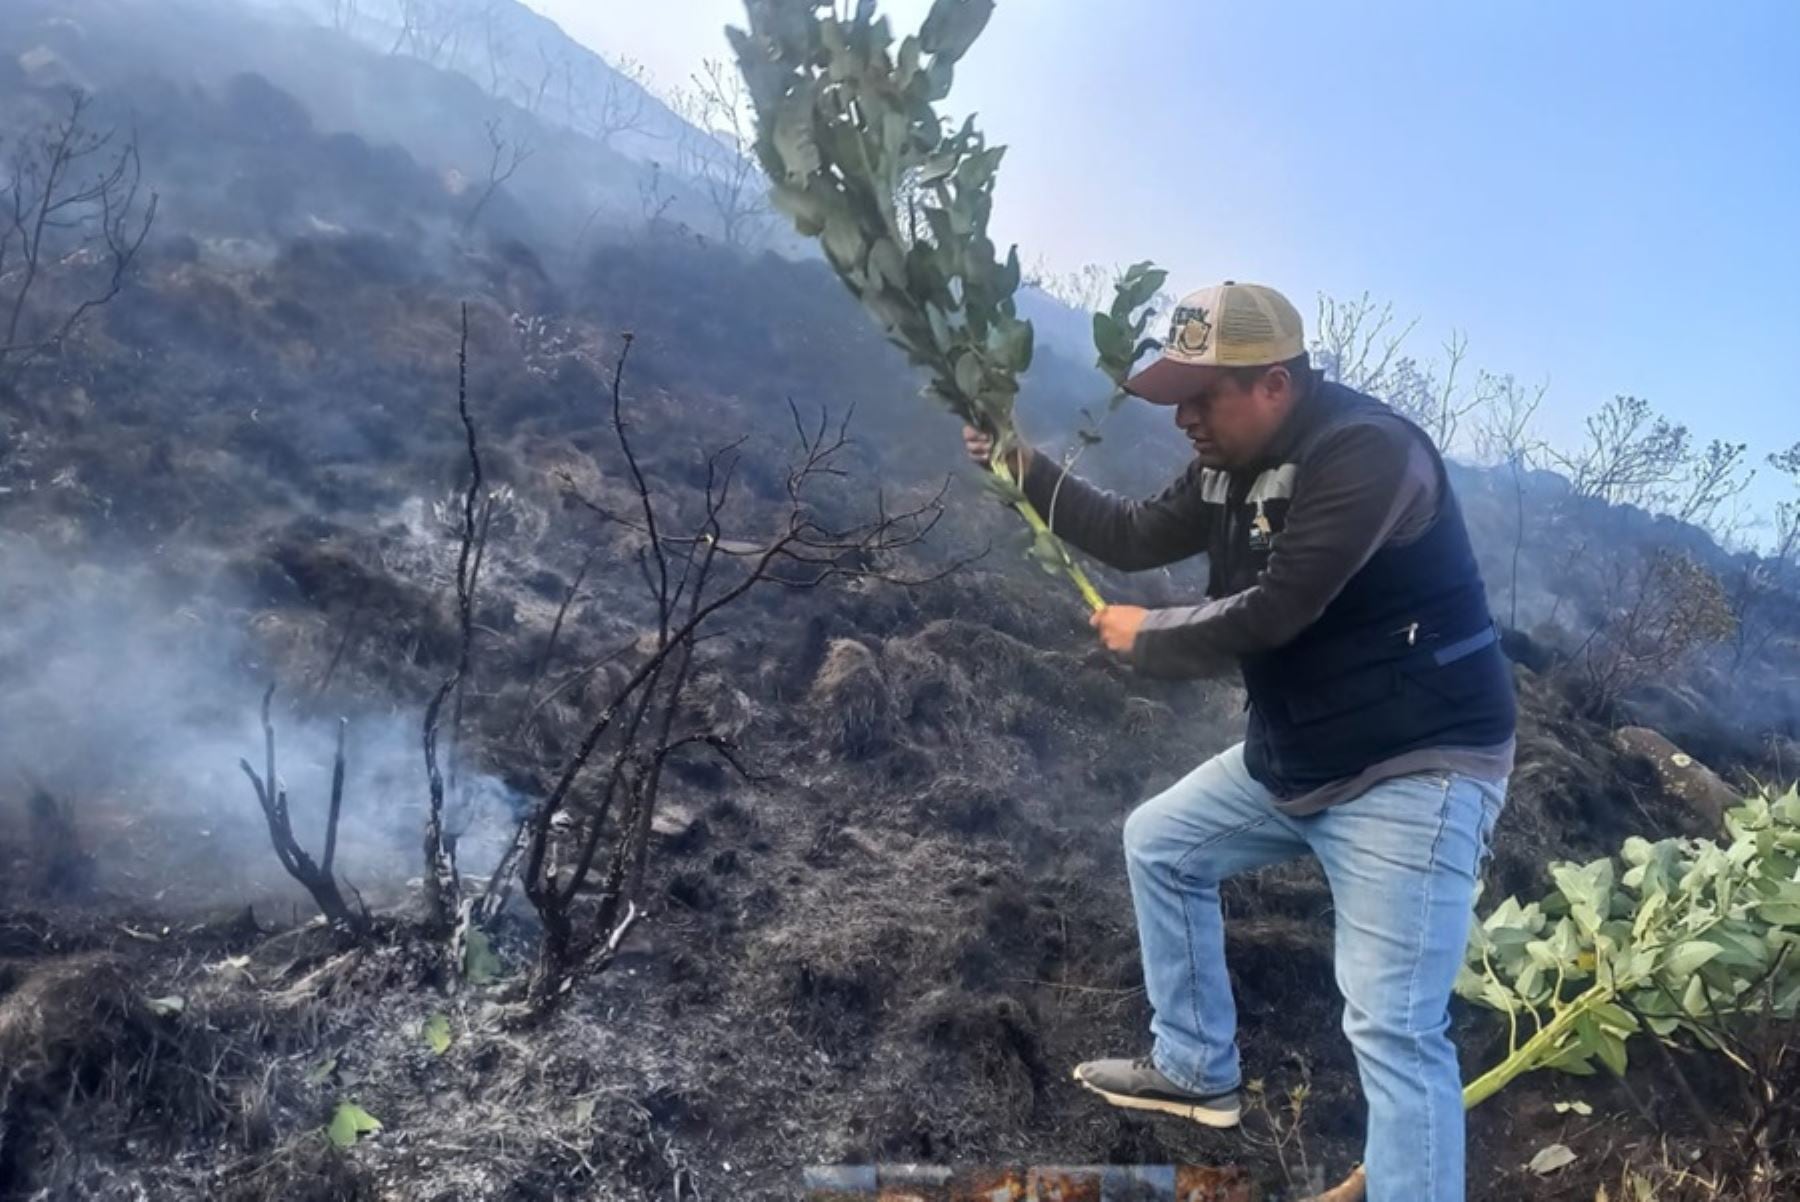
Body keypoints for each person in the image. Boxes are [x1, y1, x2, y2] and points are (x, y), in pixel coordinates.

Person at [963, 281, 1515, 1202]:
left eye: (1201, 394)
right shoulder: (1229, 463)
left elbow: (1282, 607)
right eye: (1176, 394)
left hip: (1414, 768)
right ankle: (1196, 1070)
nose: (1183, 417)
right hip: (1301, 750)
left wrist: (1151, 637)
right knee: (1162, 843)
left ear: (1275, 384)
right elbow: (1133, 533)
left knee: (1393, 1029)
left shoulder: (1368, 455)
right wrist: (1021, 464)